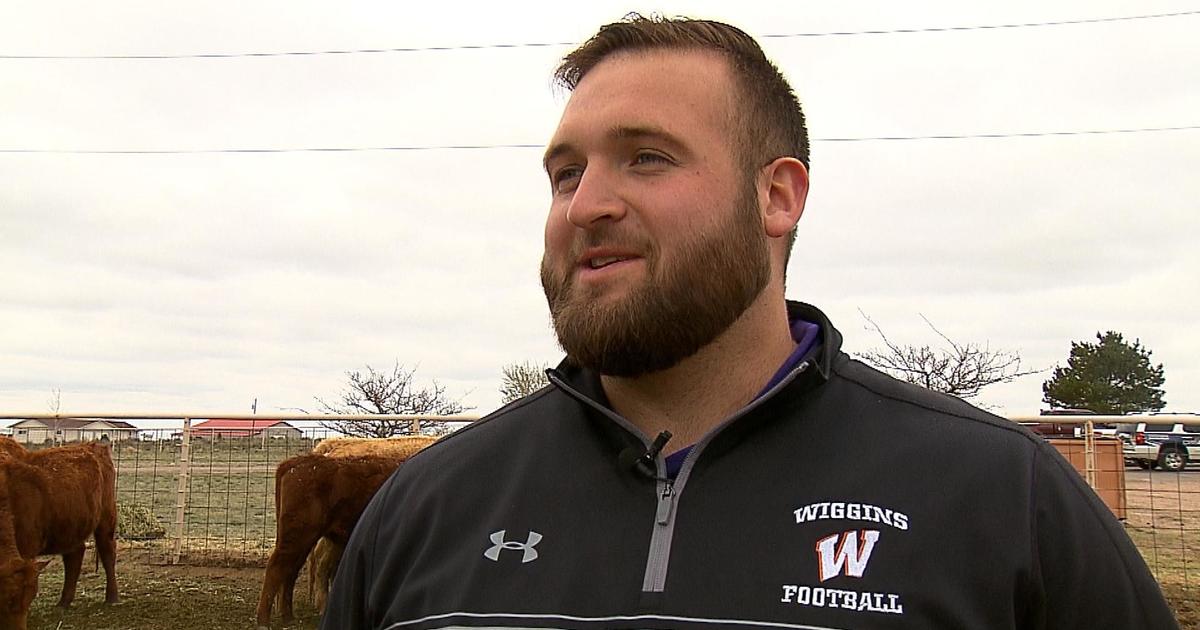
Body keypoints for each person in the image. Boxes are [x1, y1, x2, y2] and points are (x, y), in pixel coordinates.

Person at [320, 15, 1179, 630]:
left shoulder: (1004, 501)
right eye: (564, 172)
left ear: (777, 196)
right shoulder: (425, 509)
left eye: (646, 158)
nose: (585, 205)